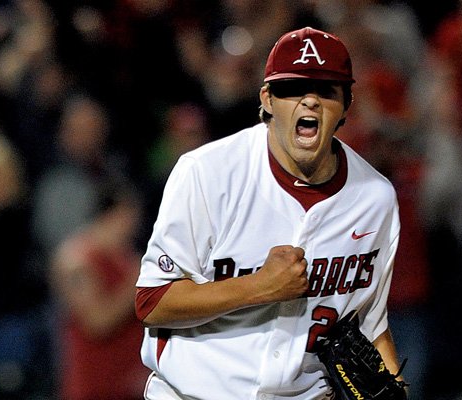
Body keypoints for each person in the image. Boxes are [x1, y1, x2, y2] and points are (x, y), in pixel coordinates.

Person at [135, 26, 405, 399]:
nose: (309, 101)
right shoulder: (208, 173)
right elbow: (152, 303)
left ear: (347, 104)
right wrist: (257, 286)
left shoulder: (375, 198)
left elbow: (372, 327)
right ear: (266, 99)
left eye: (325, 90)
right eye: (292, 88)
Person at [50, 184, 151, 400]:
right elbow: (97, 321)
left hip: (130, 382)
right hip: (94, 385)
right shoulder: (76, 259)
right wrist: (136, 284)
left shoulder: (126, 256)